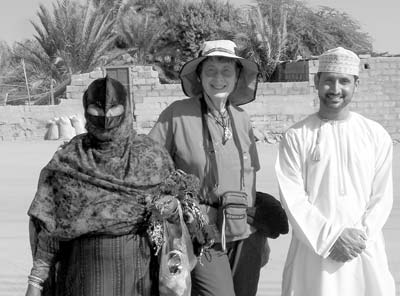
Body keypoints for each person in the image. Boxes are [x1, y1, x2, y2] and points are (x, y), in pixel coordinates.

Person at [25, 77, 176, 296]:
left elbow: (175, 217)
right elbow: (49, 226)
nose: (106, 118)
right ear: (86, 110)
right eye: (97, 111)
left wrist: (171, 208)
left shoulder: (151, 155)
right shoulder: (69, 159)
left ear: (126, 108)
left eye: (113, 110)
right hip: (82, 276)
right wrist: (36, 281)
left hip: (139, 274)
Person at [149, 39, 269, 296]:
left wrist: (262, 238)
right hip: (202, 234)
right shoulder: (177, 115)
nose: (218, 78)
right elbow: (147, 164)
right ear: (200, 76)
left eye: (227, 71)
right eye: (211, 71)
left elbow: (251, 177)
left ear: (237, 77)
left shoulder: (242, 118)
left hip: (245, 233)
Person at [275, 47, 396, 296]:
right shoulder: (296, 136)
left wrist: (359, 238)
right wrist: (331, 239)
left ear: (355, 84)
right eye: (328, 80)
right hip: (313, 256)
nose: (335, 89)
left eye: (344, 81)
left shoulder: (375, 135)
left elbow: (382, 198)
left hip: (364, 252)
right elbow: (292, 199)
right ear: (316, 82)